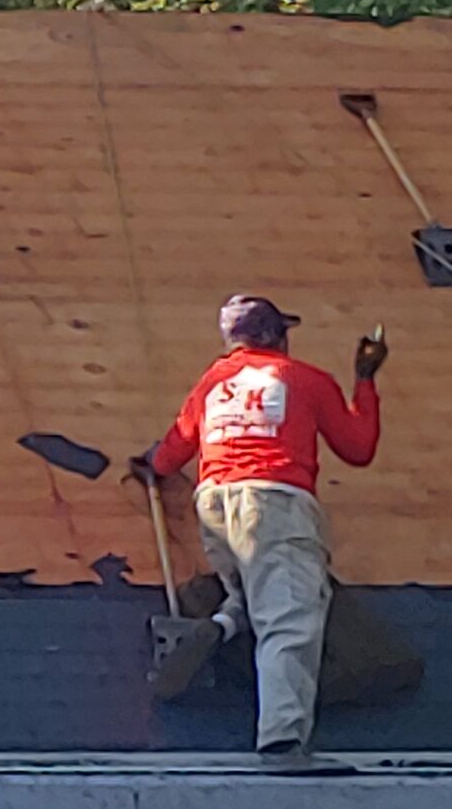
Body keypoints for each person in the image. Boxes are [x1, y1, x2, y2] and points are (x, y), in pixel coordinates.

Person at [135, 294, 386, 767]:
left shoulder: (211, 385)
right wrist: (366, 380)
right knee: (290, 619)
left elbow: (170, 454)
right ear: (275, 336)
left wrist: (149, 464)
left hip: (215, 506)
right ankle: (282, 742)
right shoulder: (306, 380)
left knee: (254, 597)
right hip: (276, 504)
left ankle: (218, 626)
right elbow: (358, 448)